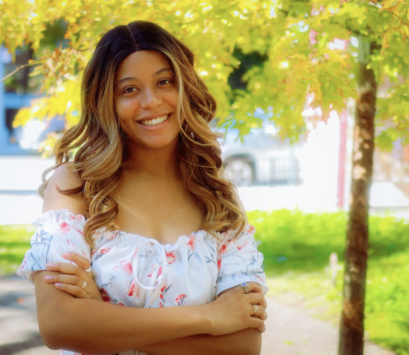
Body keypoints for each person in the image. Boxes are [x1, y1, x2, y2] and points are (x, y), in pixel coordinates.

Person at [17, 21, 269, 355]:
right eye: (129, 90)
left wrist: (104, 321)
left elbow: (244, 343)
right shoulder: (75, 186)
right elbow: (60, 325)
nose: (151, 101)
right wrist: (210, 318)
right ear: (106, 102)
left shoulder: (217, 197)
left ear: (185, 89)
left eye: (164, 82)